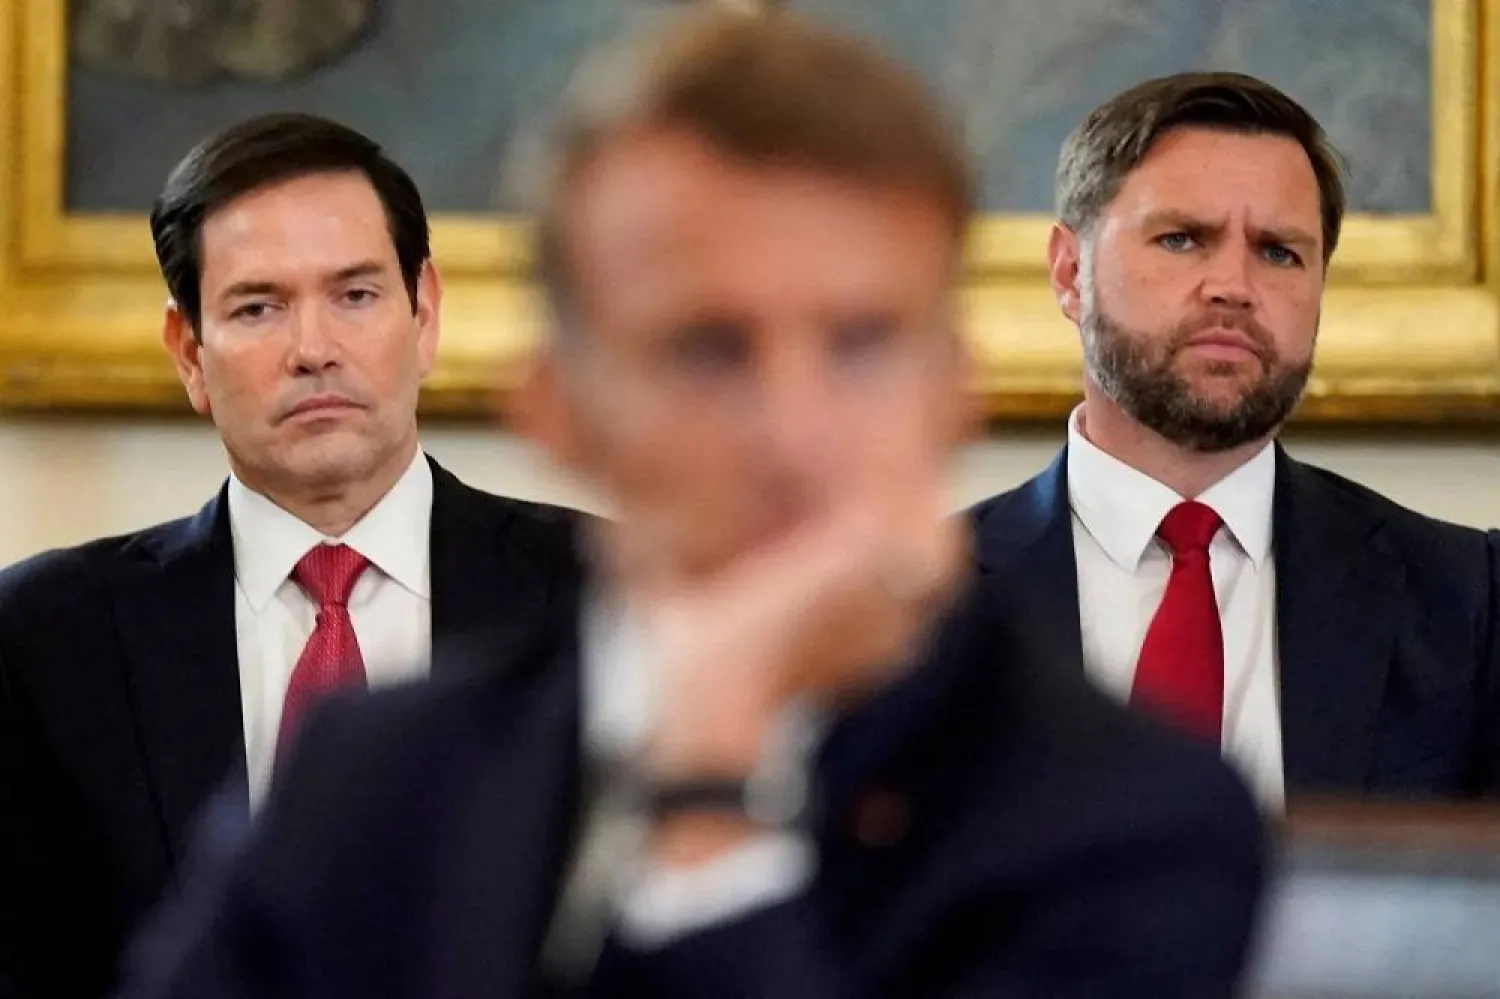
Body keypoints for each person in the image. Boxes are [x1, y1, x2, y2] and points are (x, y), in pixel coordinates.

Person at [113, 13, 1266, 999]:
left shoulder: (1126, 822)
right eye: (707, 350)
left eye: (862, 344)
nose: (793, 429)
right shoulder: (376, 772)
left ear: (951, 388)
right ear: (559, 409)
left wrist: (707, 805)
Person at [0, 114, 581, 999]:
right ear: (190, 353)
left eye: (355, 295)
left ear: (424, 314)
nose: (314, 350)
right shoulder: (42, 638)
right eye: (258, 307)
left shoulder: (601, 594)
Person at [970, 71, 1500, 808]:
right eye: (1182, 239)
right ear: (1070, 273)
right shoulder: (920, 603)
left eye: (1279, 251)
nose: (1233, 285)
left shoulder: (1469, 601)